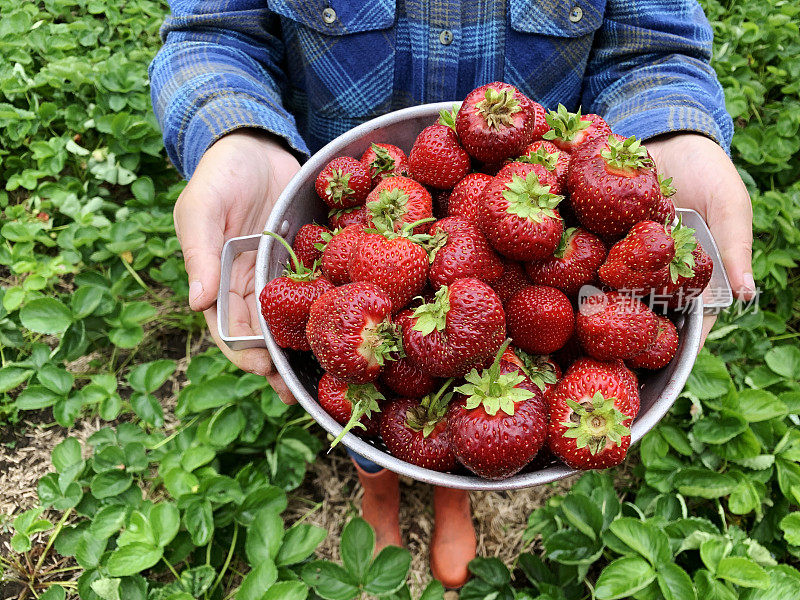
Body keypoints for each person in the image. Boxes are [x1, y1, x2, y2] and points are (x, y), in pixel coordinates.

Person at [150, 0, 756, 589]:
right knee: (370, 416)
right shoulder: (386, 275)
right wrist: (235, 134)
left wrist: (678, 134)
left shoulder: (532, 241)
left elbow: (656, 47)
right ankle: (378, 485)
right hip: (361, 190)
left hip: (546, 190)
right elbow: (212, 30)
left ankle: (450, 494)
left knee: (445, 427)